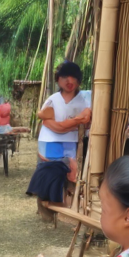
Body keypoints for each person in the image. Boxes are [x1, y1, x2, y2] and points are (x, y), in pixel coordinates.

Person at [26, 61, 91, 219]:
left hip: (75, 142)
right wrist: (76, 121)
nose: (69, 81)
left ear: (79, 79)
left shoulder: (87, 97)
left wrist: (65, 124)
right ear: (58, 80)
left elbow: (87, 119)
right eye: (64, 77)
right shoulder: (52, 100)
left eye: (73, 77)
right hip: (49, 142)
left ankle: (69, 209)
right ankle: (46, 212)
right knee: (48, 173)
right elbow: (52, 125)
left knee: (72, 173)